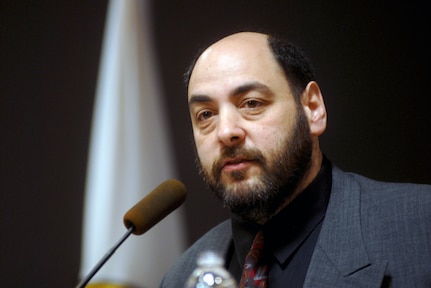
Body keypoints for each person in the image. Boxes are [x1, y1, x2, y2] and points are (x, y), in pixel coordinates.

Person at [160, 32, 431, 287]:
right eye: (205, 114)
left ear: (313, 109)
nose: (226, 131)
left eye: (251, 103)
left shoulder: (421, 225)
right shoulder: (179, 278)